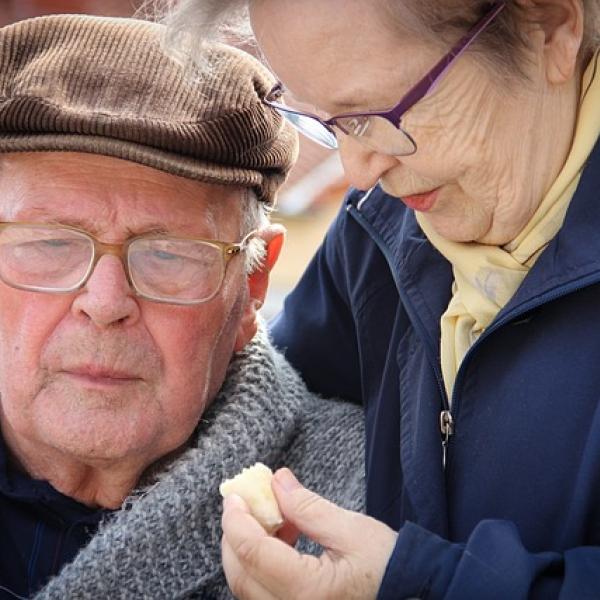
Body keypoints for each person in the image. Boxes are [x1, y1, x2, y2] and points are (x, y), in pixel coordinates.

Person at [165, 0, 600, 598]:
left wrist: (420, 586)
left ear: (549, 27)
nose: (358, 170)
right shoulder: (375, 235)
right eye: (328, 123)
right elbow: (279, 401)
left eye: (379, 112)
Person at [0, 14, 366, 600]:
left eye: (168, 255)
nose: (105, 303)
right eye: (50, 243)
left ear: (252, 286)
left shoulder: (358, 509)